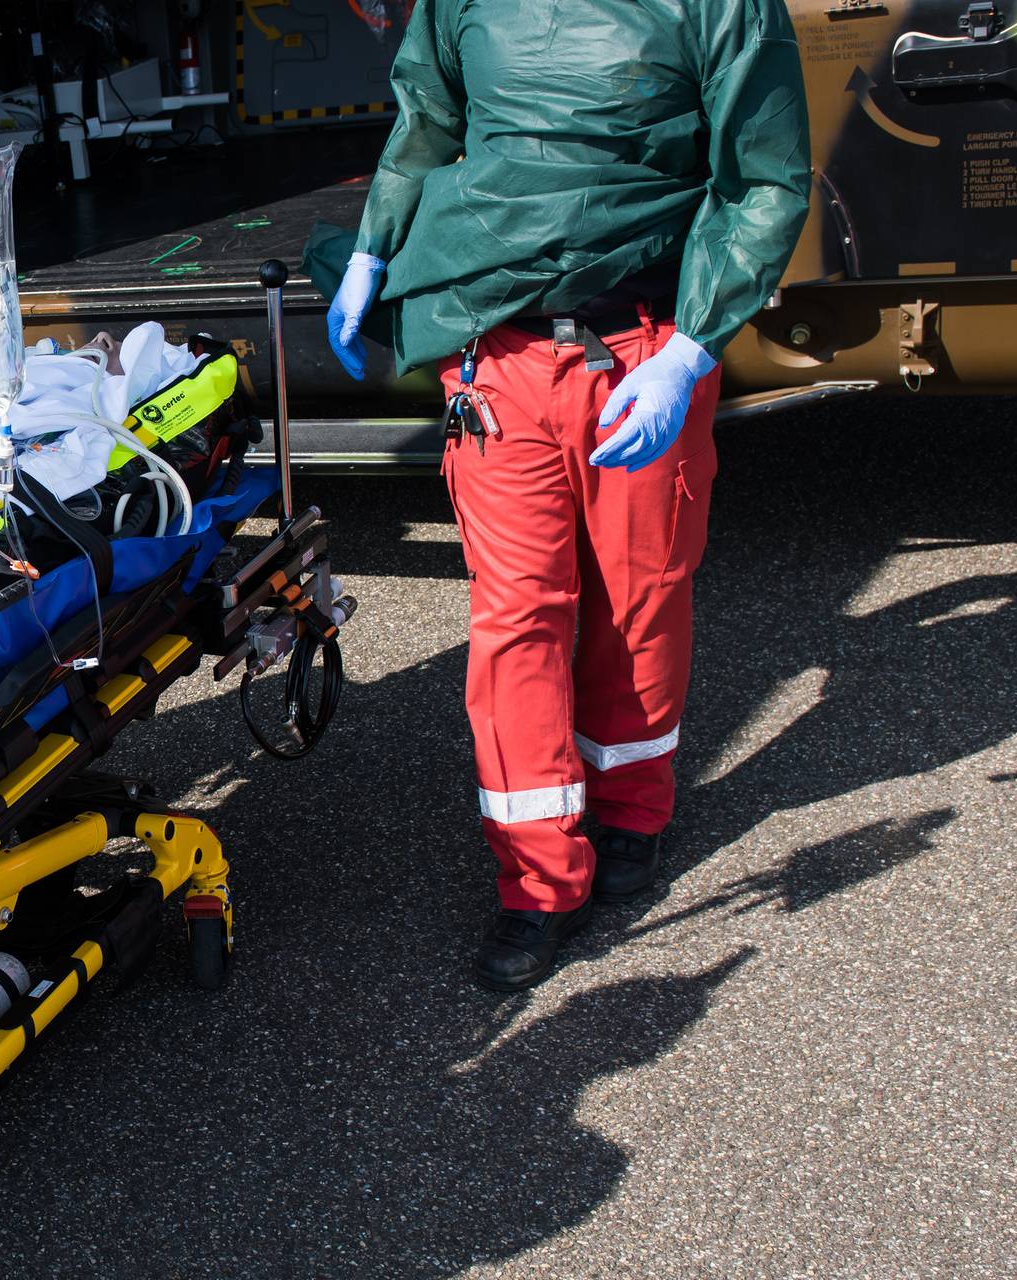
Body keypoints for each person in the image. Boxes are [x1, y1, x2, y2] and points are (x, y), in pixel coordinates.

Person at [325, 0, 811, 990]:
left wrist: (689, 351)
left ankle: (631, 805)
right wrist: (376, 242)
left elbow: (764, 180)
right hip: (497, 360)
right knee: (515, 622)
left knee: (641, 599)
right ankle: (537, 879)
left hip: (640, 350)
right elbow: (429, 116)